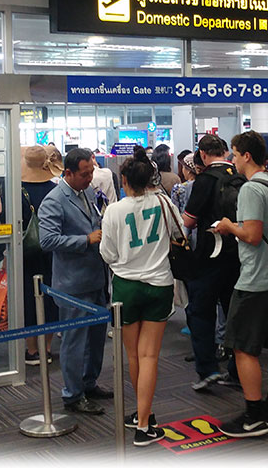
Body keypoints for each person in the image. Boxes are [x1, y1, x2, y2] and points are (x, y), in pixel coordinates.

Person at [100, 147, 181, 447]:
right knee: (150, 356)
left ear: (124, 180)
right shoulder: (163, 202)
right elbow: (179, 231)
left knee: (133, 356)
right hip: (159, 284)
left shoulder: (114, 210)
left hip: (125, 287)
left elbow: (107, 253)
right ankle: (144, 421)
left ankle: (141, 416)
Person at [214, 131, 268, 438]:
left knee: (243, 348)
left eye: (234, 154)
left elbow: (252, 235)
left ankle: (253, 415)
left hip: (256, 280)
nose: (232, 160)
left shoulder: (250, 190)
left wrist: (228, 225)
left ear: (246, 156)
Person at [38, 147, 112, 414]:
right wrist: (85, 240)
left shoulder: (88, 192)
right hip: (72, 285)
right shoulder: (54, 200)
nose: (90, 178)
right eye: (84, 174)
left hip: (95, 278)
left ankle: (89, 383)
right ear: (68, 173)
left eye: (92, 172)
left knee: (95, 338)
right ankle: (72, 393)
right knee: (73, 341)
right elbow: (47, 241)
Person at [182, 134, 242, 391]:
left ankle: (207, 369)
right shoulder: (240, 176)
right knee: (235, 314)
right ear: (226, 152)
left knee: (201, 312)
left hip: (209, 256)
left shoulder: (205, 180)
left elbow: (189, 221)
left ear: (203, 154)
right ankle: (239, 370)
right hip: (239, 254)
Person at [20, 146, 60, 365]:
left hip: (24, 253)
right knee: (50, 298)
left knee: (27, 297)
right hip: (51, 251)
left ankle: (31, 350)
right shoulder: (55, 190)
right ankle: (46, 348)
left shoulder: (14, 190)